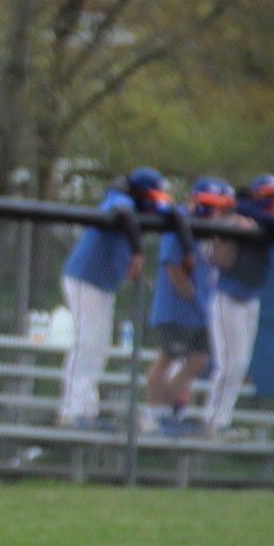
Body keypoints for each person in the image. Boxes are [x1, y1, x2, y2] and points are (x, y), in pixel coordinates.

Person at [56, 168, 193, 428]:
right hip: (85, 279)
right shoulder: (121, 199)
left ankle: (85, 410)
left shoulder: (146, 204)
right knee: (88, 344)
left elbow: (175, 213)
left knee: (98, 346)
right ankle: (72, 411)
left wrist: (188, 251)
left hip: (101, 285)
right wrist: (138, 253)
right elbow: (123, 213)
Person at [201, 174, 274, 439]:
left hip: (250, 299)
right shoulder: (244, 208)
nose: (271, 201)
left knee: (240, 364)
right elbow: (246, 209)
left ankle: (220, 421)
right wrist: (273, 219)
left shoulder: (265, 217)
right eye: (267, 195)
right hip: (229, 298)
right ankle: (213, 422)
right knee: (230, 363)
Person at [145, 178, 236, 435]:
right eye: (205, 204)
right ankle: (154, 415)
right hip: (177, 310)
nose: (210, 210)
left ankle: (170, 412)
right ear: (192, 200)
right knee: (167, 357)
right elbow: (174, 269)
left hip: (202, 312)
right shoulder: (180, 222)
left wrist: (224, 232)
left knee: (197, 360)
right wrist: (196, 301)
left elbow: (222, 261)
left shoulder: (213, 228)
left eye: (215, 205)